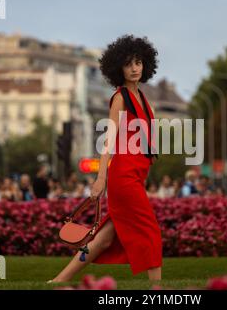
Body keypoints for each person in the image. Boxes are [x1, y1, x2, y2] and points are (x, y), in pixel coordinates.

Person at [50, 34, 162, 283]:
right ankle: (158, 289)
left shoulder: (144, 100)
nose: (134, 68)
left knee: (103, 239)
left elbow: (142, 139)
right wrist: (100, 178)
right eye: (128, 64)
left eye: (138, 63)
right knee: (150, 230)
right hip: (123, 178)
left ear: (145, 65)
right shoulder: (121, 98)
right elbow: (108, 141)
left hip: (136, 176)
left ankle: (58, 281)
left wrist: (150, 152)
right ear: (118, 68)